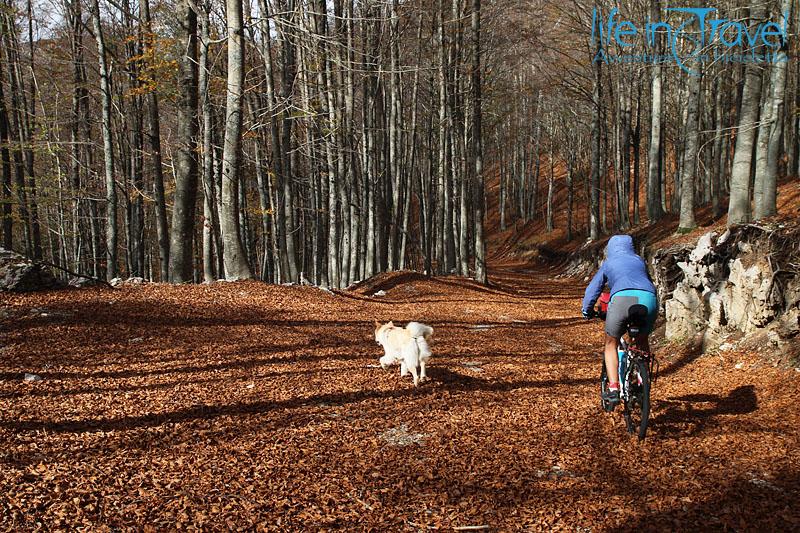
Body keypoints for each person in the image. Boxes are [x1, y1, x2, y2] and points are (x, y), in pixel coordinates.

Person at [581, 235, 658, 409]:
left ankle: (614, 388)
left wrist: (587, 310)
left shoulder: (609, 263)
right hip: (648, 298)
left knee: (611, 343)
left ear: (610, 248)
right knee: (641, 340)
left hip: (622, 299)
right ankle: (641, 380)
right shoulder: (639, 261)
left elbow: (593, 289)